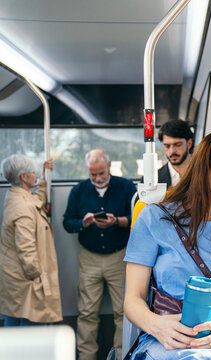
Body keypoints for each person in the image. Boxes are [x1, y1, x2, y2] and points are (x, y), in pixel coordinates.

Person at [124, 130, 211, 360]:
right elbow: (133, 298)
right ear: (205, 168)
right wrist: (157, 326)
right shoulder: (153, 218)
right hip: (167, 340)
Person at [63, 149, 136, 360]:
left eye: (101, 173)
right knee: (87, 313)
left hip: (120, 256)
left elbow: (138, 219)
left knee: (124, 312)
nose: (97, 178)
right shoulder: (79, 190)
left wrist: (118, 221)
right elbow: (67, 222)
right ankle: (87, 357)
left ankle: (123, 356)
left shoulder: (126, 187)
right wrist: (82, 224)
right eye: (93, 174)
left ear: (109, 166)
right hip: (89, 257)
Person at [0, 155, 62, 326]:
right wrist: (38, 277)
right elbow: (26, 248)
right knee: (30, 323)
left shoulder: (16, 197)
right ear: (23, 177)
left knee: (14, 316)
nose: (35, 175)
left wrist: (43, 178)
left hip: (16, 275)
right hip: (26, 278)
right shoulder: (22, 206)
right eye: (33, 173)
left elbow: (36, 202)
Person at [157, 119, 194, 188]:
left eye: (178, 145)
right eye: (167, 146)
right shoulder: (152, 180)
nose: (172, 151)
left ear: (189, 144)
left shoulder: (207, 174)